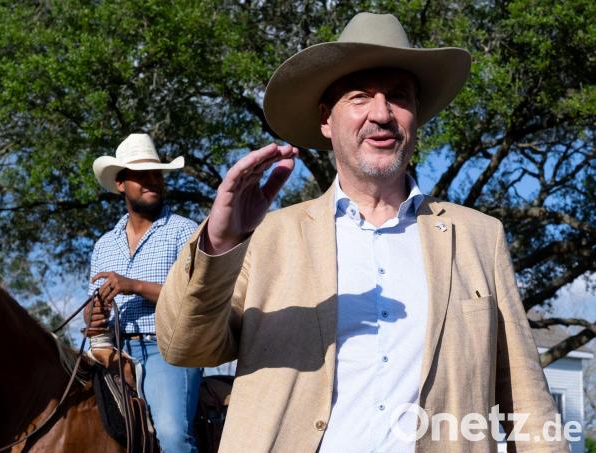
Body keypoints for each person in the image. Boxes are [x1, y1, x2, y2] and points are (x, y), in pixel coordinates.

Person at [155, 12, 566, 453]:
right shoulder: (268, 238)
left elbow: (527, 404)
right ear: (326, 120)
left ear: (416, 117)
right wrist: (219, 243)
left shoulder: (478, 237)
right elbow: (184, 346)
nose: (382, 114)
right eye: (359, 97)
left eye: (399, 97)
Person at [87, 133, 202, 452]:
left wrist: (132, 285)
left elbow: (194, 297)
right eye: (141, 175)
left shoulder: (184, 231)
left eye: (157, 174)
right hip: (112, 353)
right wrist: (94, 315)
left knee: (173, 436)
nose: (152, 181)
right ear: (121, 183)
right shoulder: (104, 245)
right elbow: (94, 307)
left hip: (168, 347)